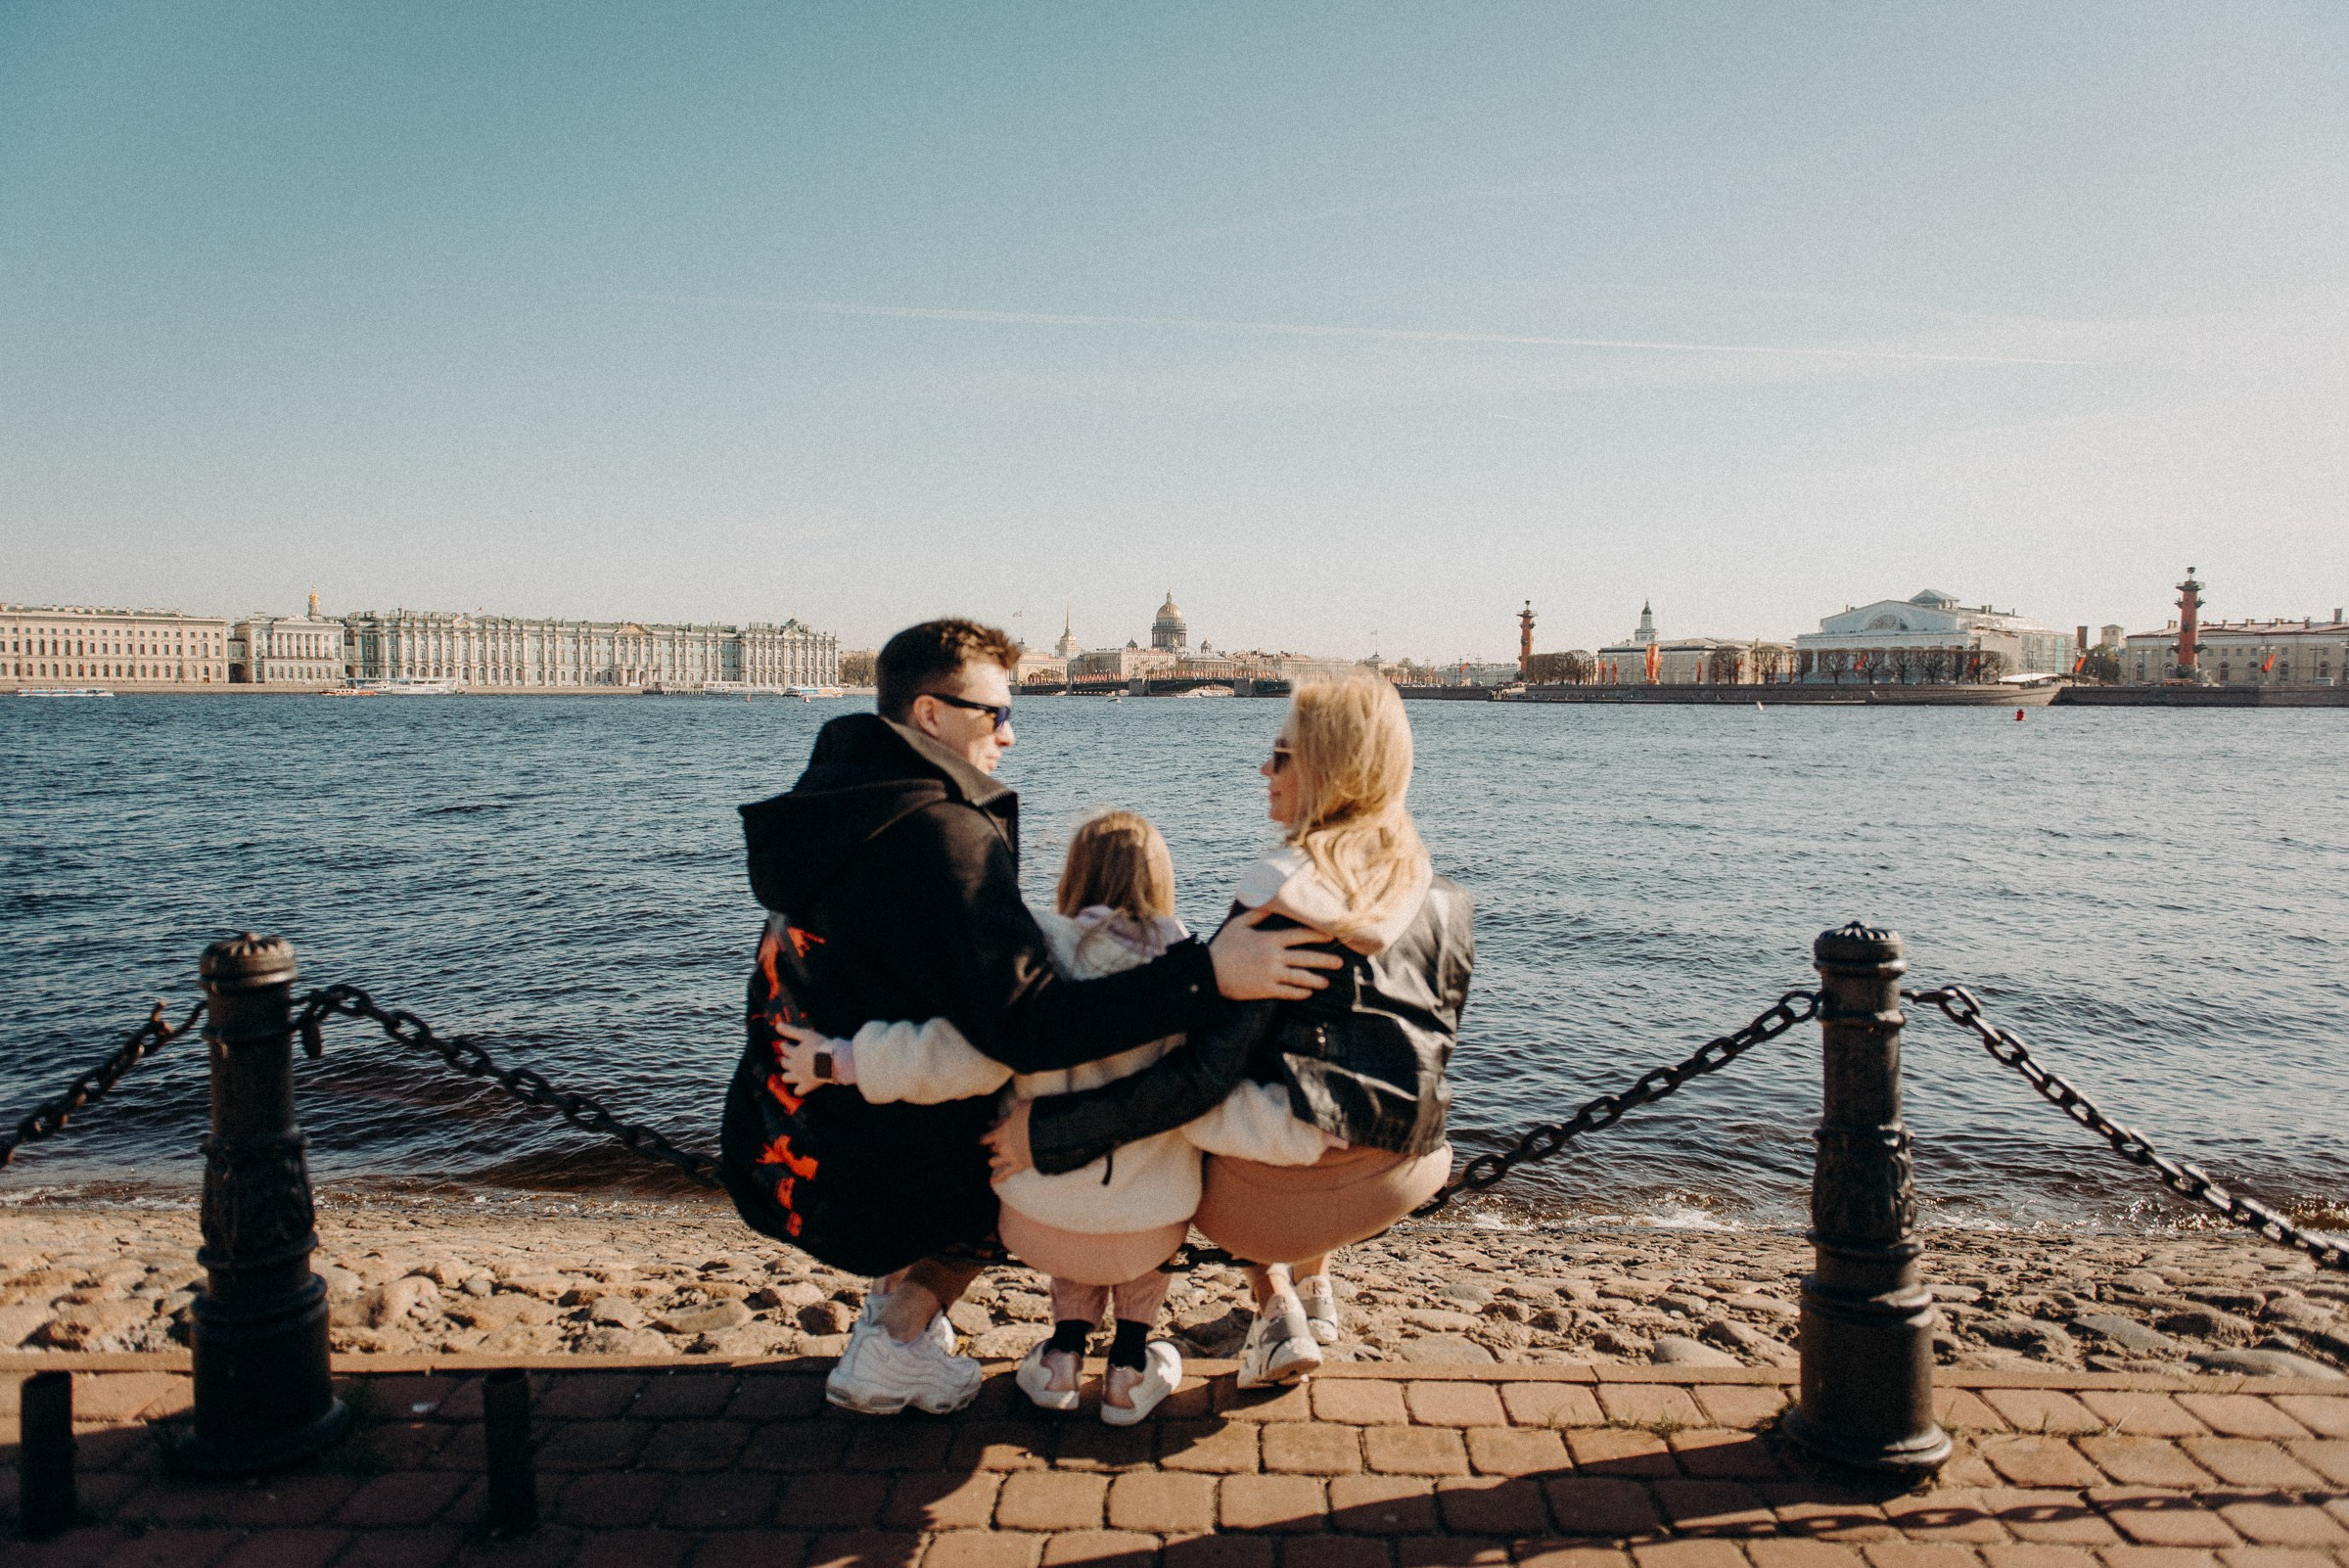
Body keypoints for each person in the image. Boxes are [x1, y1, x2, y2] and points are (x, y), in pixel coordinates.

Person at [720, 619, 1340, 1416]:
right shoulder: (945, 835)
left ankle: (900, 1314)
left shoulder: (833, 803)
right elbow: (1028, 1023)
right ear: (930, 715)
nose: (1010, 736)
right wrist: (1207, 973)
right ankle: (899, 1335)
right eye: (995, 714)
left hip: (780, 1143)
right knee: (1040, 1114)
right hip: (870, 1178)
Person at [988, 674, 1474, 1389]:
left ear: (1329, 769)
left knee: (1189, 1126)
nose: (1264, 770)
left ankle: (1275, 1304)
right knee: (1297, 1085)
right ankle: (1314, 1292)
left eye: (1282, 755)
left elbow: (1197, 1076)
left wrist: (1047, 1133)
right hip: (1409, 1166)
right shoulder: (1444, 898)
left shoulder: (1279, 894)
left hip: (1281, 1200)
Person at [771, 810, 1332, 1423]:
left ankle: (1060, 1359)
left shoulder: (1036, 951)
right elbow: (1212, 1097)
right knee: (1179, 1174)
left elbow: (959, 1056)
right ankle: (1129, 1369)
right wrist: (1310, 1133)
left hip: (1036, 1219)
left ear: (1074, 874)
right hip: (1150, 1227)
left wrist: (842, 1061)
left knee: (1008, 1173)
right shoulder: (1198, 970)